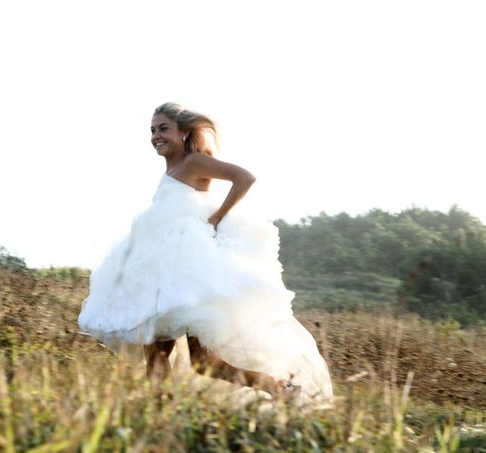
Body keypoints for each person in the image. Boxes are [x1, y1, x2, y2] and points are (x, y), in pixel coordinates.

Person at [78, 102, 332, 401]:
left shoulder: (193, 162)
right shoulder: (173, 168)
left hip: (180, 273)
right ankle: (280, 389)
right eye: (152, 130)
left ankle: (161, 418)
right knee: (200, 363)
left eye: (163, 129)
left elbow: (245, 177)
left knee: (166, 358)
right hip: (164, 271)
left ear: (184, 132)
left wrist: (216, 217)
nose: (156, 136)